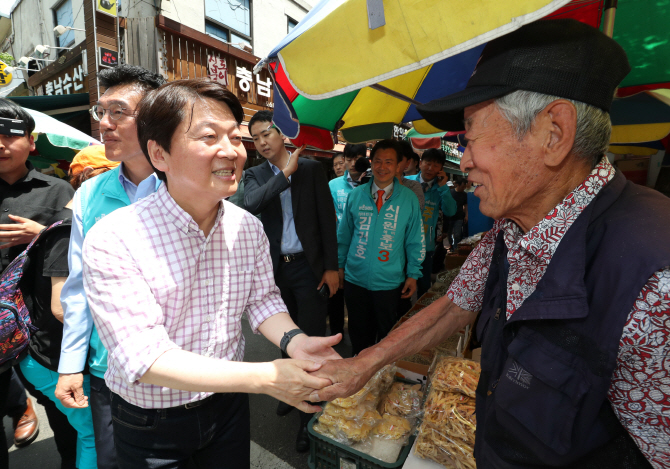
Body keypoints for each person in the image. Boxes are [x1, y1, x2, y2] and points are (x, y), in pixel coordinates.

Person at [310, 19, 670, 469]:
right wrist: (365, 363)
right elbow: (457, 302)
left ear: (553, 133)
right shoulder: (512, 226)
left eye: (471, 134)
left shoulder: (655, 282)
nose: (466, 158)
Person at [83, 79, 339, 469]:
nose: (231, 151)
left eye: (235, 138)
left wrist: (295, 341)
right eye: (208, 136)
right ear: (159, 154)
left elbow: (262, 299)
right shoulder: (115, 237)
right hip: (152, 421)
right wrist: (268, 377)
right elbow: (145, 357)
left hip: (228, 406)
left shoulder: (247, 227)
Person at [55, 64, 165, 469]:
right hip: (108, 370)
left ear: (154, 117)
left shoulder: (187, 186)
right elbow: (80, 286)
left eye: (118, 111)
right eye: (100, 112)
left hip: (179, 364)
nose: (104, 123)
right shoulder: (89, 195)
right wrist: (71, 365)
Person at [244, 110, 340, 452]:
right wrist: (284, 174)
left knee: (310, 337)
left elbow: (326, 220)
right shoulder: (255, 175)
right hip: (274, 271)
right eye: (255, 138)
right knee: (283, 337)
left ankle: (307, 420)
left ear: (282, 134)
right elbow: (250, 204)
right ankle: (288, 390)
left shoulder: (313, 170)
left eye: (266, 134)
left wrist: (332, 266)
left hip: (308, 267)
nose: (261, 142)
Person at [17, 147, 116, 469]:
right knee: (91, 435)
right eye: (115, 174)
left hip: (51, 354)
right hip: (49, 357)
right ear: (90, 178)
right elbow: (63, 308)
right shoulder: (69, 225)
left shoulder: (77, 223)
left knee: (84, 435)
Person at [0, 98, 74, 463]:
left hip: (41, 329)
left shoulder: (58, 191)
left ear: (31, 141)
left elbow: (82, 249)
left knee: (64, 416)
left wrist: (42, 233)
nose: (0, 143)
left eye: (9, 134)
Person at [337, 139, 425, 356]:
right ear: (371, 163)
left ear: (398, 166)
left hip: (390, 284)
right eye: (377, 161)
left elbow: (415, 239)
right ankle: (359, 382)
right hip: (355, 281)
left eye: (389, 162)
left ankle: (381, 382)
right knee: (359, 338)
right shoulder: (356, 196)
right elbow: (344, 236)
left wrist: (413, 274)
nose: (382, 167)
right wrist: (339, 266)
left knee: (387, 339)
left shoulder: (409, 199)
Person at [406, 149, 456, 297]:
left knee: (423, 286)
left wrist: (443, 188)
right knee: (400, 286)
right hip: (401, 244)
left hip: (425, 247)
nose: (430, 168)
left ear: (440, 169)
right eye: (428, 163)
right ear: (420, 163)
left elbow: (451, 211)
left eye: (436, 165)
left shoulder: (440, 189)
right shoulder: (407, 182)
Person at [397, 141, 425, 212]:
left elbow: (416, 211)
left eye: (398, 159)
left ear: (407, 163)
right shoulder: (371, 185)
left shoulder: (413, 186)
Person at [446, 175, 468, 252]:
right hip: (449, 217)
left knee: (457, 234)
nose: (464, 188)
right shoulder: (450, 193)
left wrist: (466, 215)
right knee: (448, 234)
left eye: (465, 186)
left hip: (459, 217)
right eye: (462, 186)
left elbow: (465, 205)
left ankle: (456, 249)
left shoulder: (464, 195)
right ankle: (451, 246)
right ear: (457, 185)